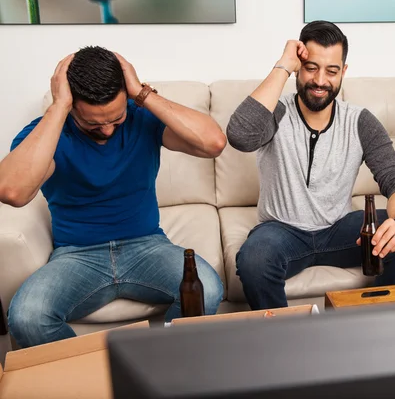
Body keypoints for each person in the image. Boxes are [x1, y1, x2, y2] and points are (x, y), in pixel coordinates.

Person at [0, 46, 226, 347]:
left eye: (115, 119)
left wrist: (141, 93)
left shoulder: (141, 118)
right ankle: (97, 378)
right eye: (92, 123)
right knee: (26, 316)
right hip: (77, 255)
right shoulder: (50, 134)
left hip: (146, 247)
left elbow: (213, 143)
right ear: (71, 106)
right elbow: (12, 191)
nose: (106, 130)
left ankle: (154, 369)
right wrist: (58, 108)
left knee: (207, 289)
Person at [226, 21, 395, 310]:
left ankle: (379, 321)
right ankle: (286, 343)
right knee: (254, 260)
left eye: (331, 71)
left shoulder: (360, 121)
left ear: (343, 72)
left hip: (340, 230)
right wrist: (283, 65)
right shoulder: (277, 111)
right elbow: (240, 136)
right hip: (282, 232)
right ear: (298, 66)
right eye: (311, 68)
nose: (320, 80)